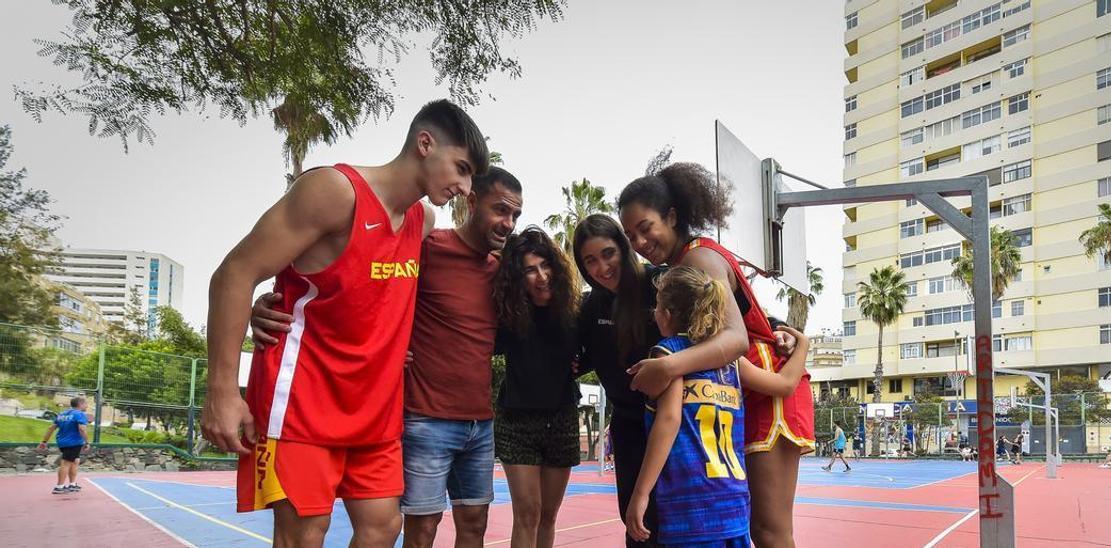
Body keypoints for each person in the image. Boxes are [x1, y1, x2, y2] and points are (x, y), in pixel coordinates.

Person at [203, 99, 487, 547]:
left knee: (383, 527)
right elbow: (234, 274)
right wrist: (221, 391)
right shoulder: (336, 191)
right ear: (425, 144)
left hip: (375, 411)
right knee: (304, 534)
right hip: (304, 401)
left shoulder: (423, 220)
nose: (465, 185)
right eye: (462, 167)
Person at [251, 166, 523, 547]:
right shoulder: (428, 246)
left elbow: (545, 306)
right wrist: (267, 304)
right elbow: (358, 280)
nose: (508, 222)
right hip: (423, 418)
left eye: (515, 215)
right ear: (473, 202)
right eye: (501, 210)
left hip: (479, 422)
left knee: (473, 524)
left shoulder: (502, 272)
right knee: (418, 528)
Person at [570, 214, 799, 547]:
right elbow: (581, 351)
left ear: (623, 248)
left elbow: (717, 305)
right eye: (590, 261)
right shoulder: (590, 308)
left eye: (608, 254)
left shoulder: (662, 284)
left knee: (680, 524)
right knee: (638, 524)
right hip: (631, 426)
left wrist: (777, 330)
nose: (602, 267)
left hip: (680, 423)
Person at [619, 163, 814, 546]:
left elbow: (736, 338)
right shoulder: (685, 263)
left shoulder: (698, 259)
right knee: (750, 527)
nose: (639, 242)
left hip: (764, 385)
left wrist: (668, 366)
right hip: (746, 385)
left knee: (770, 530)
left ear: (672, 217)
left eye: (645, 228)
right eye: (630, 236)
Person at [625, 265, 809, 546]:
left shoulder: (669, 353)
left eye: (657, 306)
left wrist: (640, 493)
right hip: (733, 503)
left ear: (666, 314)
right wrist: (804, 346)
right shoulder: (732, 361)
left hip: (691, 505)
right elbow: (784, 385)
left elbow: (670, 420)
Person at [492, 227, 582, 548]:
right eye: (530, 270)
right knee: (527, 514)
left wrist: (581, 365)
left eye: (546, 266)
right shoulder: (508, 315)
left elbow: (598, 350)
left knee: (548, 516)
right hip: (517, 421)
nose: (542, 276)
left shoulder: (575, 312)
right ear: (519, 277)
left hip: (561, 419)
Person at [38, 396, 90, 495]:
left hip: (62, 442)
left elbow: (51, 428)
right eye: (86, 403)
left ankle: (72, 484)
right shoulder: (80, 414)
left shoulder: (62, 414)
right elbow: (82, 429)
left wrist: (44, 441)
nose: (87, 405)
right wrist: (87, 442)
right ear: (80, 404)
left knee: (75, 461)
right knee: (66, 463)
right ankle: (59, 487)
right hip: (73, 443)